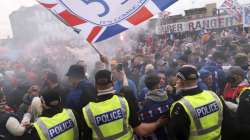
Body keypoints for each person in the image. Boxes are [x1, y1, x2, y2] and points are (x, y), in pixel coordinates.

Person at [81, 70, 167, 140]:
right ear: (113, 83)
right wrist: (158, 123)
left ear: (96, 85)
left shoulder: (87, 111)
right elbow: (141, 131)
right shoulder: (123, 102)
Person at [168, 65, 236, 140]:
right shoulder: (214, 95)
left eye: (177, 80)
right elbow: (229, 123)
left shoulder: (180, 106)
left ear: (180, 81)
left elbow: (177, 135)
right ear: (197, 79)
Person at [138, 74, 174, 140]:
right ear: (158, 84)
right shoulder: (170, 98)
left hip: (156, 136)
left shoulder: (145, 105)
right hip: (170, 135)